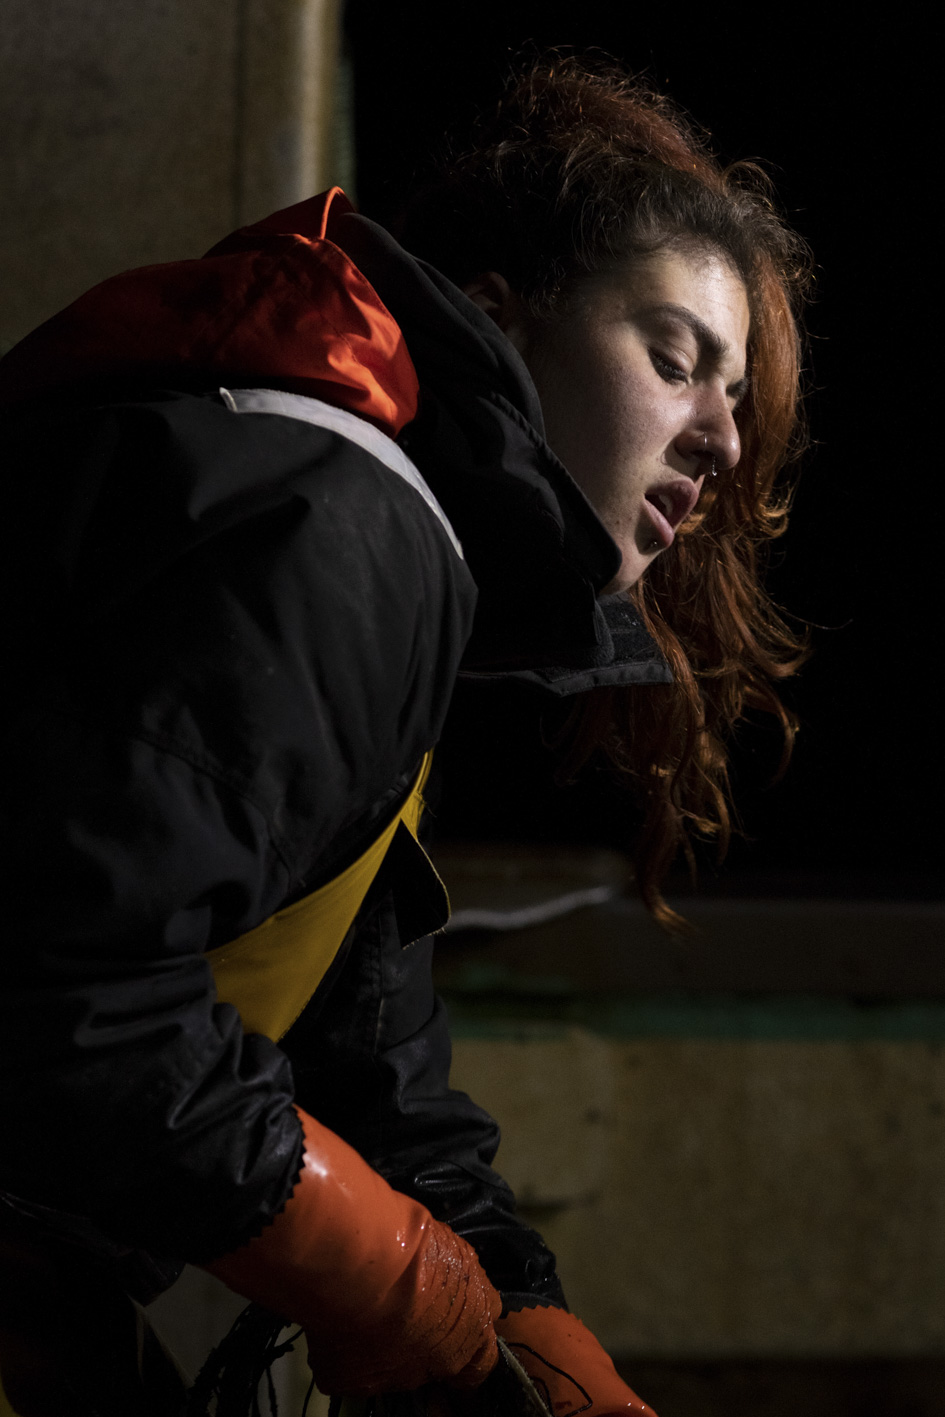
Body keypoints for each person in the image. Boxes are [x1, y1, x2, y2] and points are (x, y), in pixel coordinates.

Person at [0, 56, 809, 1417]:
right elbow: (64, 985)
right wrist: (385, 1280)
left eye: (734, 398)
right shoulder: (334, 518)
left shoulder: (379, 534)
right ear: (494, 319)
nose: (723, 442)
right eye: (675, 361)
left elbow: (361, 1047)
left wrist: (521, 1314)